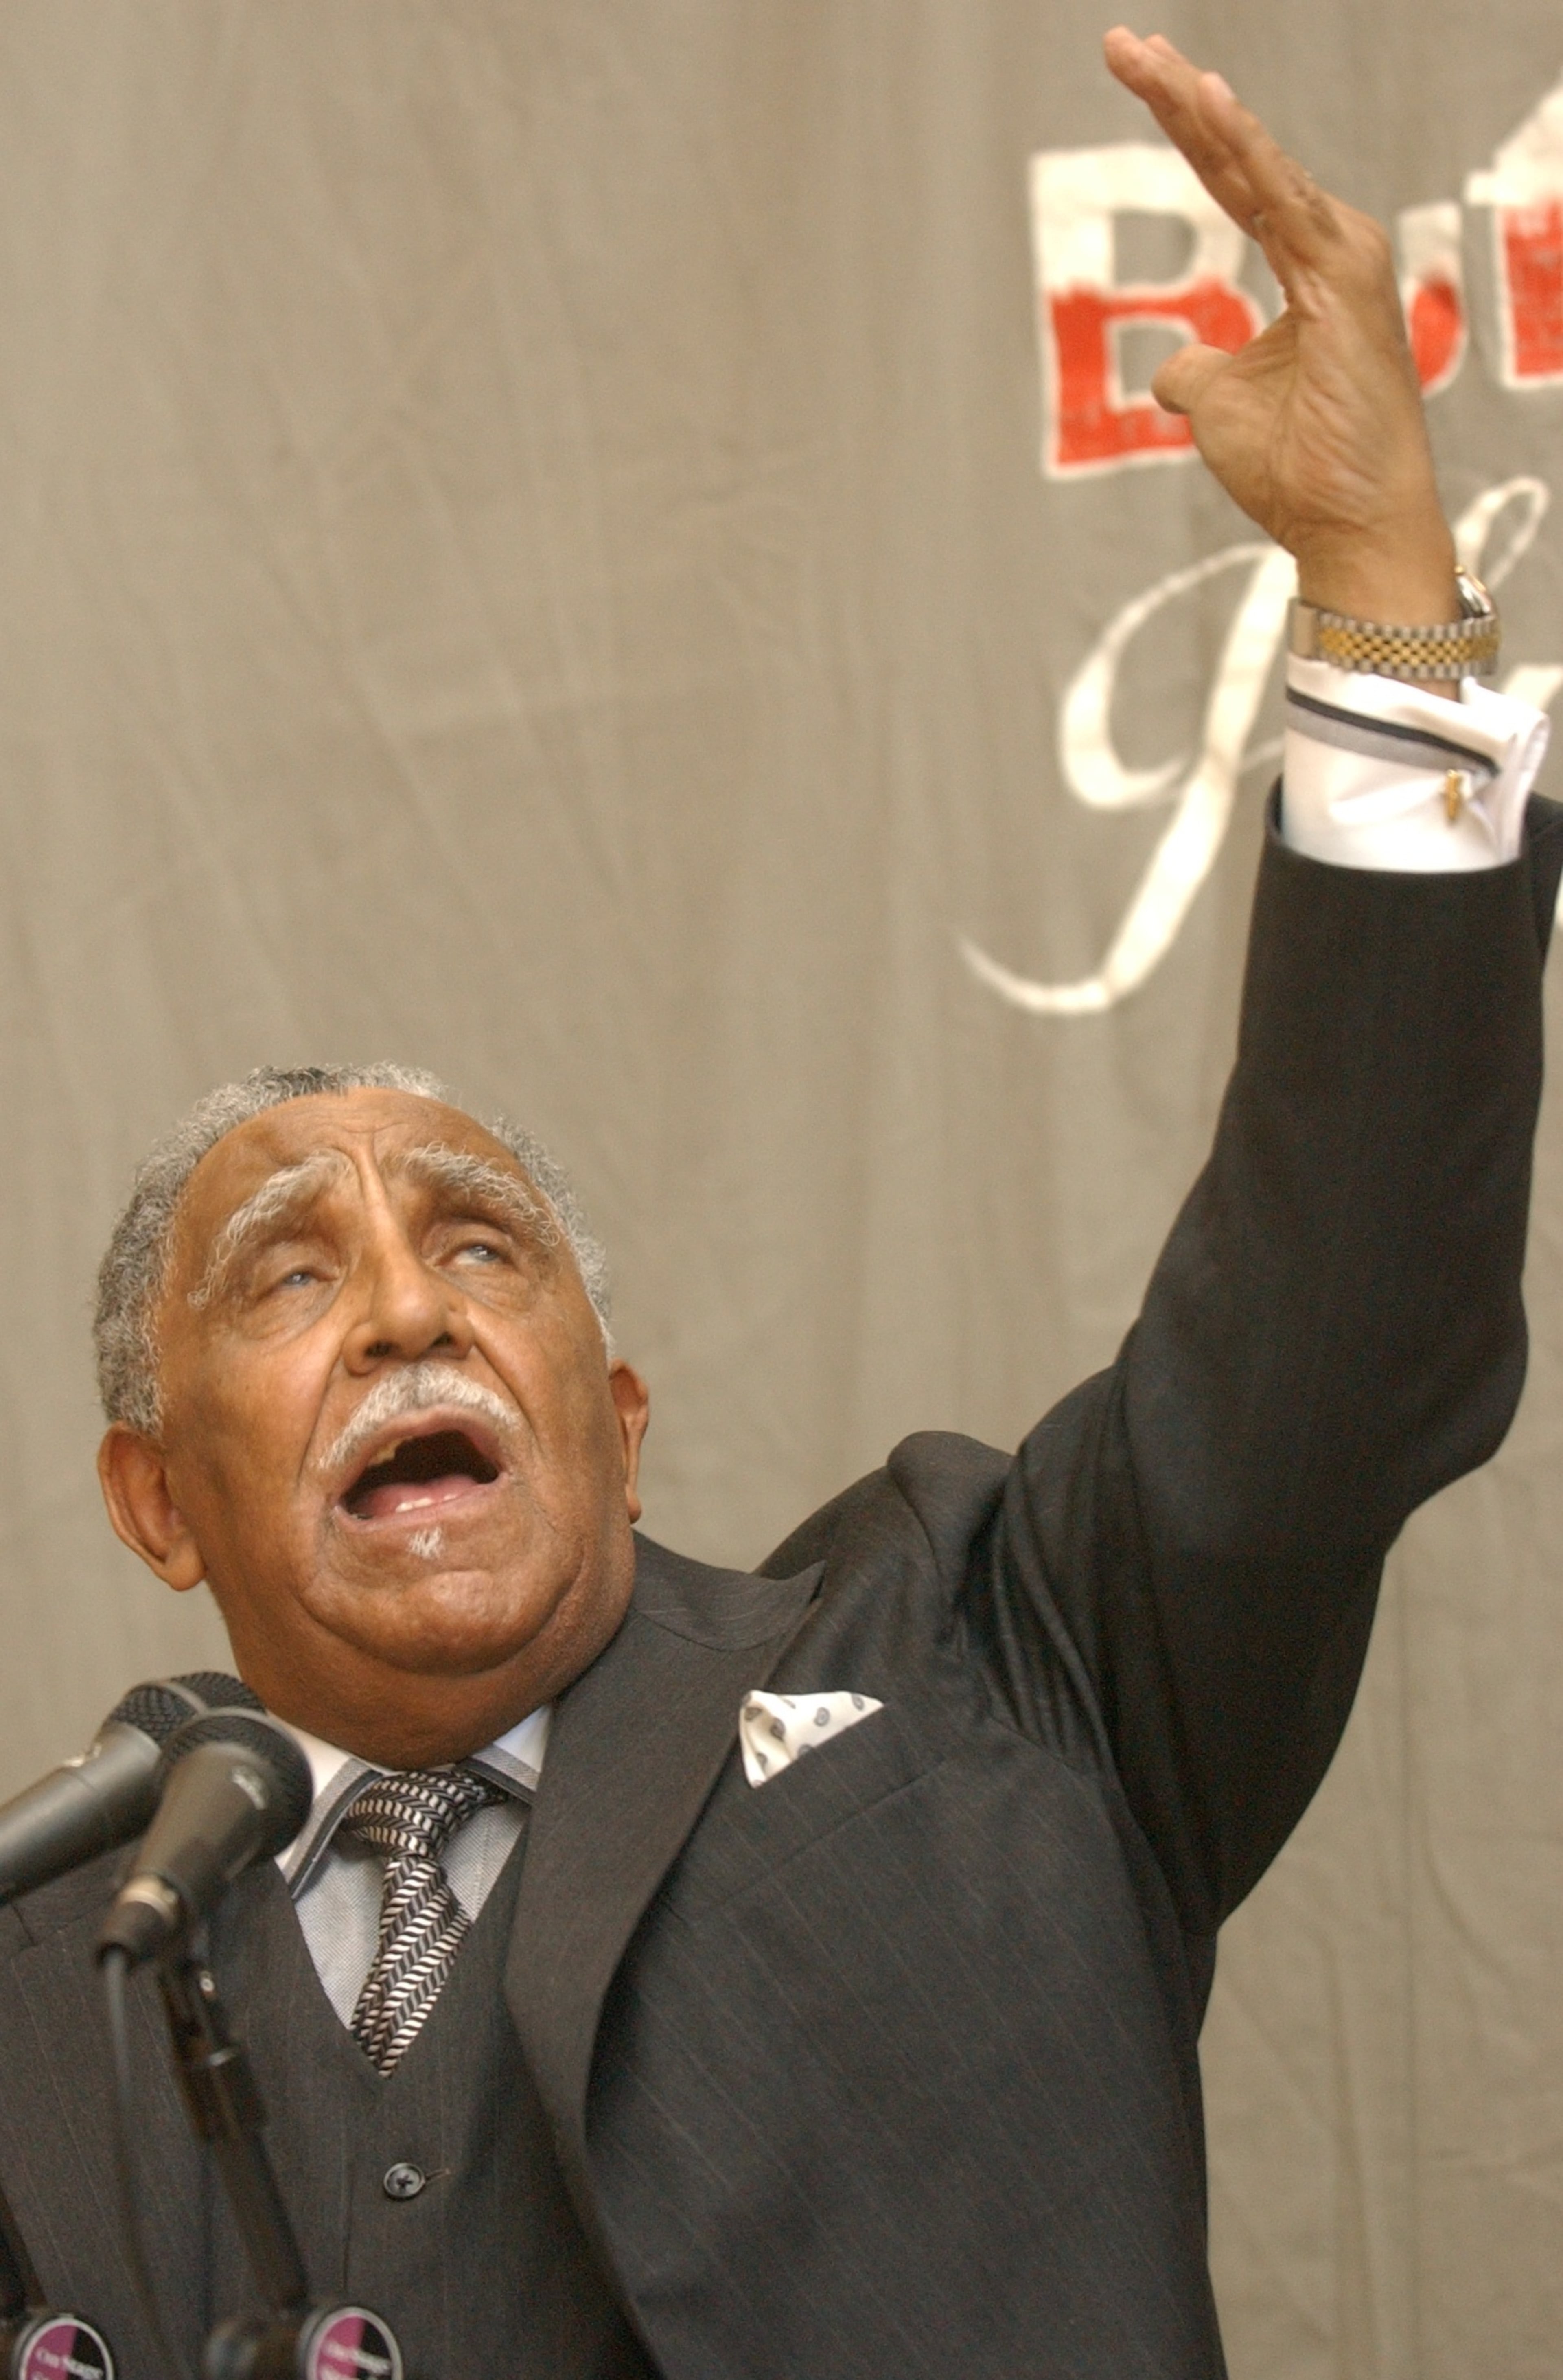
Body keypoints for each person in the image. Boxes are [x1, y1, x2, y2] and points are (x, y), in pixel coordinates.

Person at [0, 30, 1558, 2380]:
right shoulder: (65, 1949)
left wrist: (1378, 588)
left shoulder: (1003, 1670)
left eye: (481, 1242)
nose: (409, 1308)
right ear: (155, 1497)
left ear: (616, 1414)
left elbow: (1334, 1332)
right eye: (291, 1274)